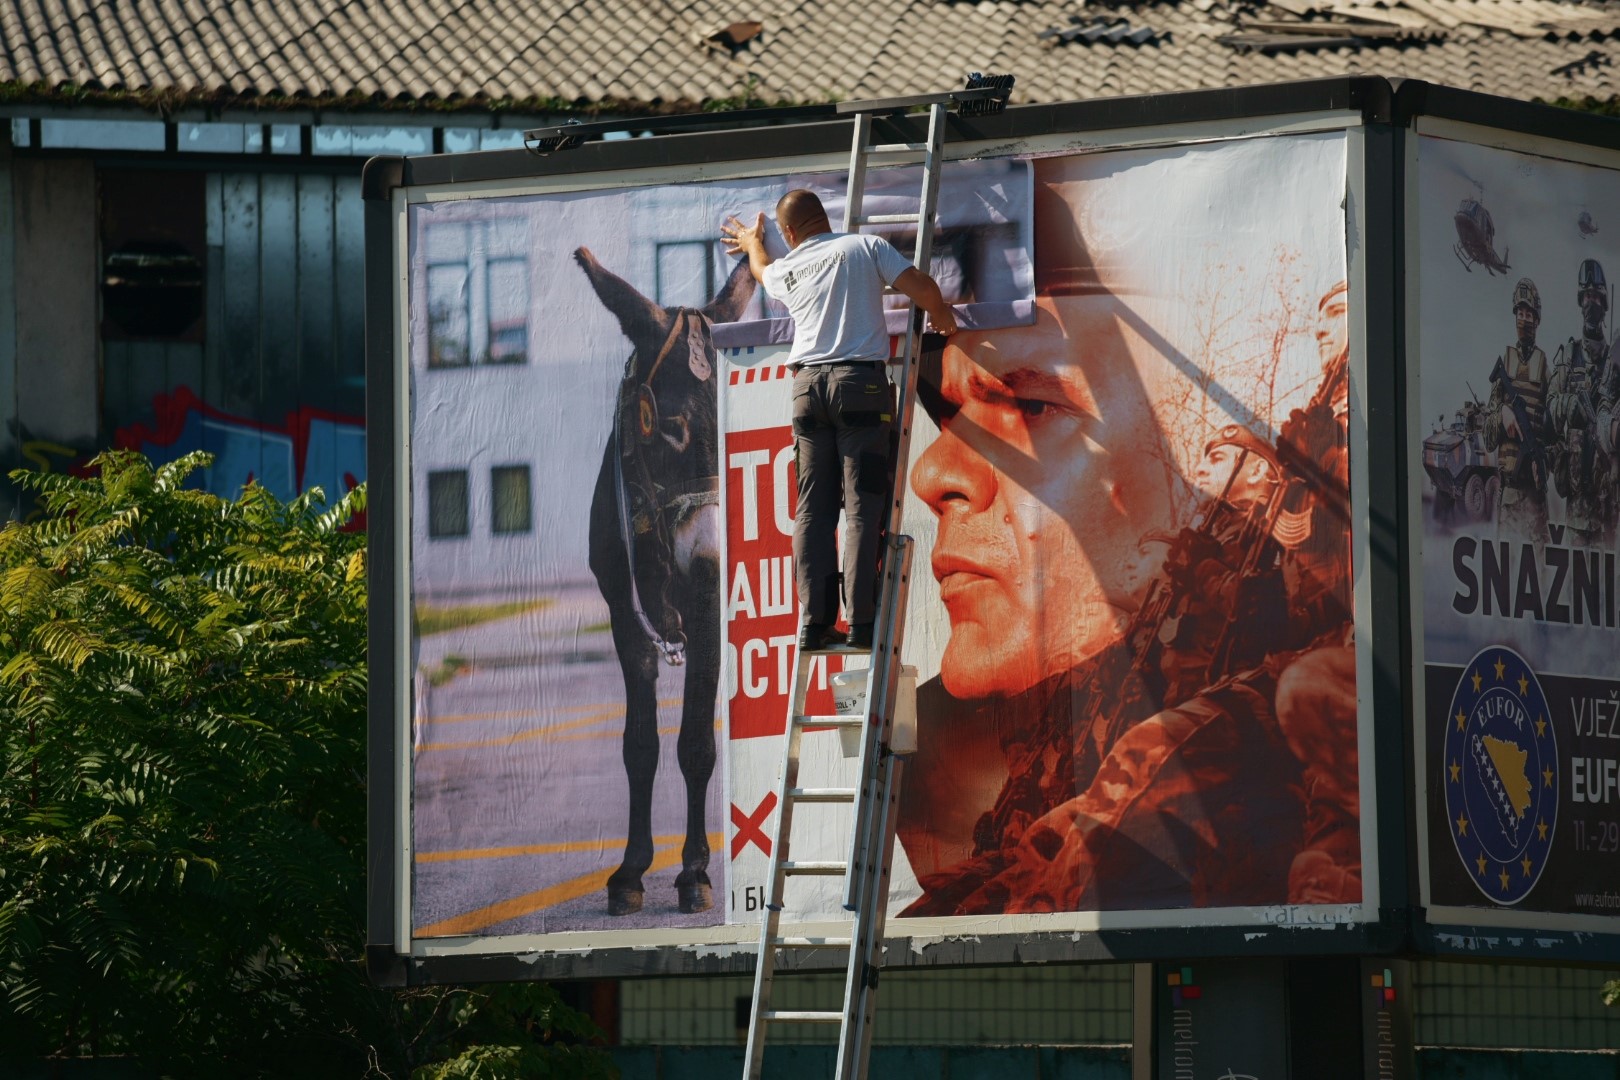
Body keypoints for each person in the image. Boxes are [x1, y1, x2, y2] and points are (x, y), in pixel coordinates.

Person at [721, 189, 957, 651]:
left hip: (807, 390)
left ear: (789, 234)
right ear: (822, 218)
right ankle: (862, 624)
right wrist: (943, 317)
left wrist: (753, 242)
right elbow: (924, 289)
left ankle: (815, 623)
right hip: (859, 389)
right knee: (863, 507)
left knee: (813, 510)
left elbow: (761, 270)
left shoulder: (787, 268)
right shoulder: (861, 247)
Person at [1546, 259, 1616, 542]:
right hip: (1576, 507)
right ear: (1580, 300)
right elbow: (1549, 408)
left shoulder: (1614, 361)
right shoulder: (1569, 355)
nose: (1592, 303)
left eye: (1597, 297)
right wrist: (1569, 406)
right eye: (1588, 296)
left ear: (1604, 303)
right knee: (1576, 583)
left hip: (1608, 507)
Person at [1483, 278, 1550, 538]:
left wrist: (1544, 460)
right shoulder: (1505, 368)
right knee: (1505, 569)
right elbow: (1488, 439)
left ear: (1537, 319)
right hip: (1509, 495)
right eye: (1520, 314)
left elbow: (1555, 432)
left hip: (1536, 498)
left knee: (1542, 574)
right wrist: (1501, 415)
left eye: (1529, 314)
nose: (1524, 320)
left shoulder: (1545, 368)